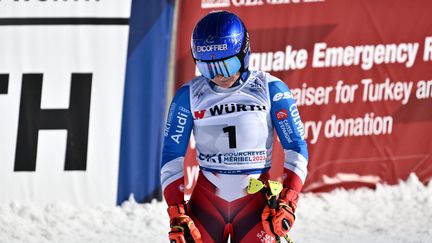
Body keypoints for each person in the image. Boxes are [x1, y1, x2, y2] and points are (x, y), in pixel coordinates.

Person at [161, 10, 308, 243]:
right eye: (208, 67)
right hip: (206, 206)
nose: (219, 75)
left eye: (226, 65)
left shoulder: (271, 89)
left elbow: (296, 147)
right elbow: (172, 156)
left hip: (256, 206)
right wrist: (177, 211)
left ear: (244, 53)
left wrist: (288, 201)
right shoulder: (187, 95)